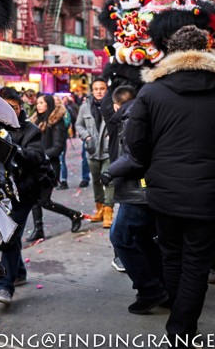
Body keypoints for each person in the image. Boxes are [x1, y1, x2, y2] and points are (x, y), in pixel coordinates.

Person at [124, 25, 215, 349]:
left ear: (170, 51)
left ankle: (180, 332)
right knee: (195, 264)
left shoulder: (151, 92)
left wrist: (157, 165)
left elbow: (134, 143)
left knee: (172, 258)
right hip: (209, 195)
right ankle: (181, 335)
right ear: (207, 51)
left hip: (164, 193)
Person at [106, 85, 167, 314]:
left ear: (116, 104)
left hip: (138, 190)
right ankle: (163, 287)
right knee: (143, 238)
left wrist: (110, 171)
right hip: (148, 188)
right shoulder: (141, 112)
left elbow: (134, 156)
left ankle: (149, 289)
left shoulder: (130, 116)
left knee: (121, 236)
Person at [0, 88, 44, 305]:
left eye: (13, 108)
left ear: (20, 107)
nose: (8, 112)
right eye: (3, 107)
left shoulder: (30, 130)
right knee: (3, 237)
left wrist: (13, 149)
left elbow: (36, 157)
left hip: (23, 192)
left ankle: (5, 286)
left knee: (9, 236)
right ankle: (19, 271)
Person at [26, 94, 83, 242]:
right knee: (34, 199)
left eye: (41, 103)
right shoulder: (35, 121)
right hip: (35, 165)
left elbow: (57, 148)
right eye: (37, 103)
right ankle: (38, 229)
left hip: (49, 167)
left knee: (45, 201)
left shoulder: (56, 123)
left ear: (49, 105)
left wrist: (38, 155)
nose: (38, 106)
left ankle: (74, 214)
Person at [76, 77, 113, 227]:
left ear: (107, 90)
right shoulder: (85, 107)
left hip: (108, 151)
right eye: (96, 89)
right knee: (96, 180)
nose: (99, 91)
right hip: (92, 150)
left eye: (102, 88)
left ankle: (108, 213)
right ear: (92, 91)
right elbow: (79, 124)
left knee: (108, 180)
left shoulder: (112, 106)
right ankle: (100, 210)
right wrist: (87, 136)